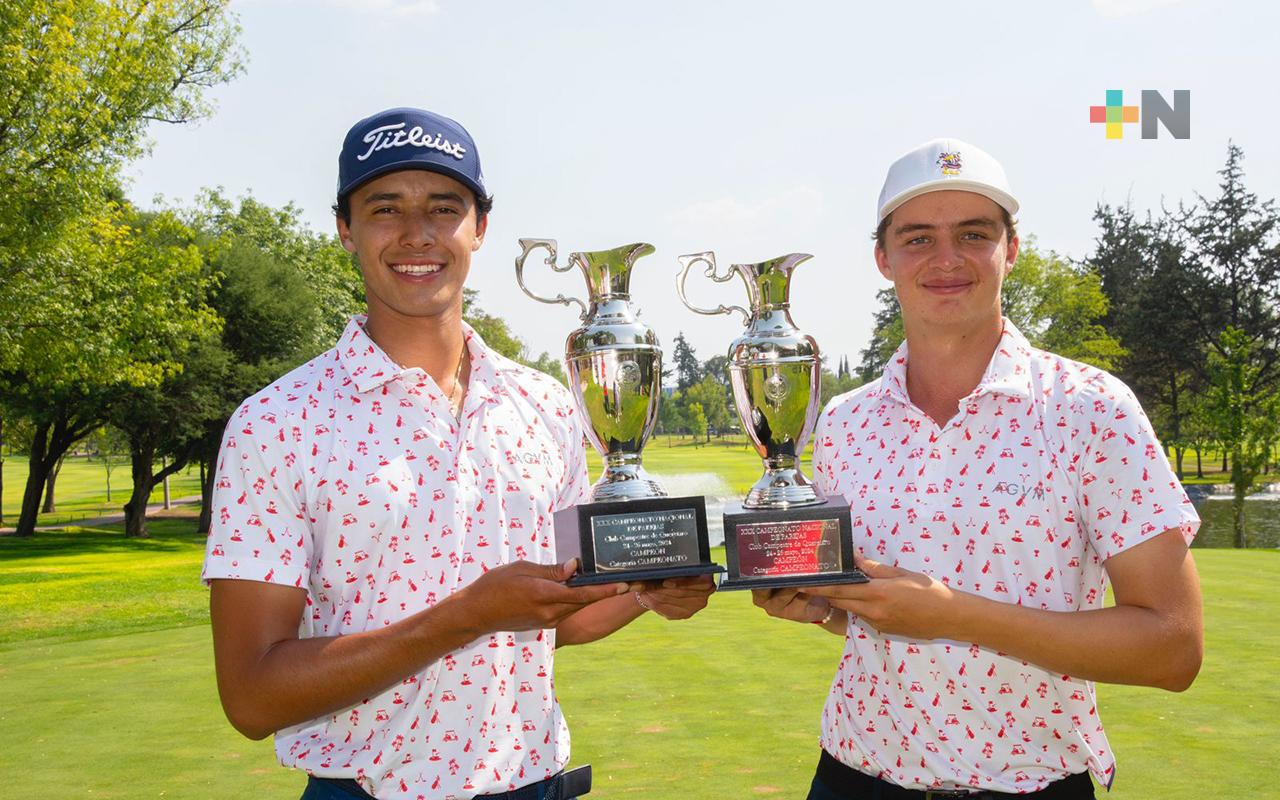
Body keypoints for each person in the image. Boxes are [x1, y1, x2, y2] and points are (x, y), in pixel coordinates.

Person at [201, 107, 715, 800]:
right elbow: (253, 697)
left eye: (445, 207)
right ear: (345, 229)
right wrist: (464, 615)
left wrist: (653, 590)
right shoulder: (277, 422)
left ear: (480, 228)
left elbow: (556, 615)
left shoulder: (546, 403)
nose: (418, 234)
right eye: (386, 208)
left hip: (535, 783)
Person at [752, 138, 1203, 799]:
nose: (946, 259)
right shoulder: (844, 422)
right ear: (883, 258)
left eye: (973, 233)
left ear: (1010, 248)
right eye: (917, 238)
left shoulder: (1090, 409)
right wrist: (823, 609)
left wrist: (952, 614)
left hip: (1027, 785)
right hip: (853, 776)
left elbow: (1174, 647)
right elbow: (887, 619)